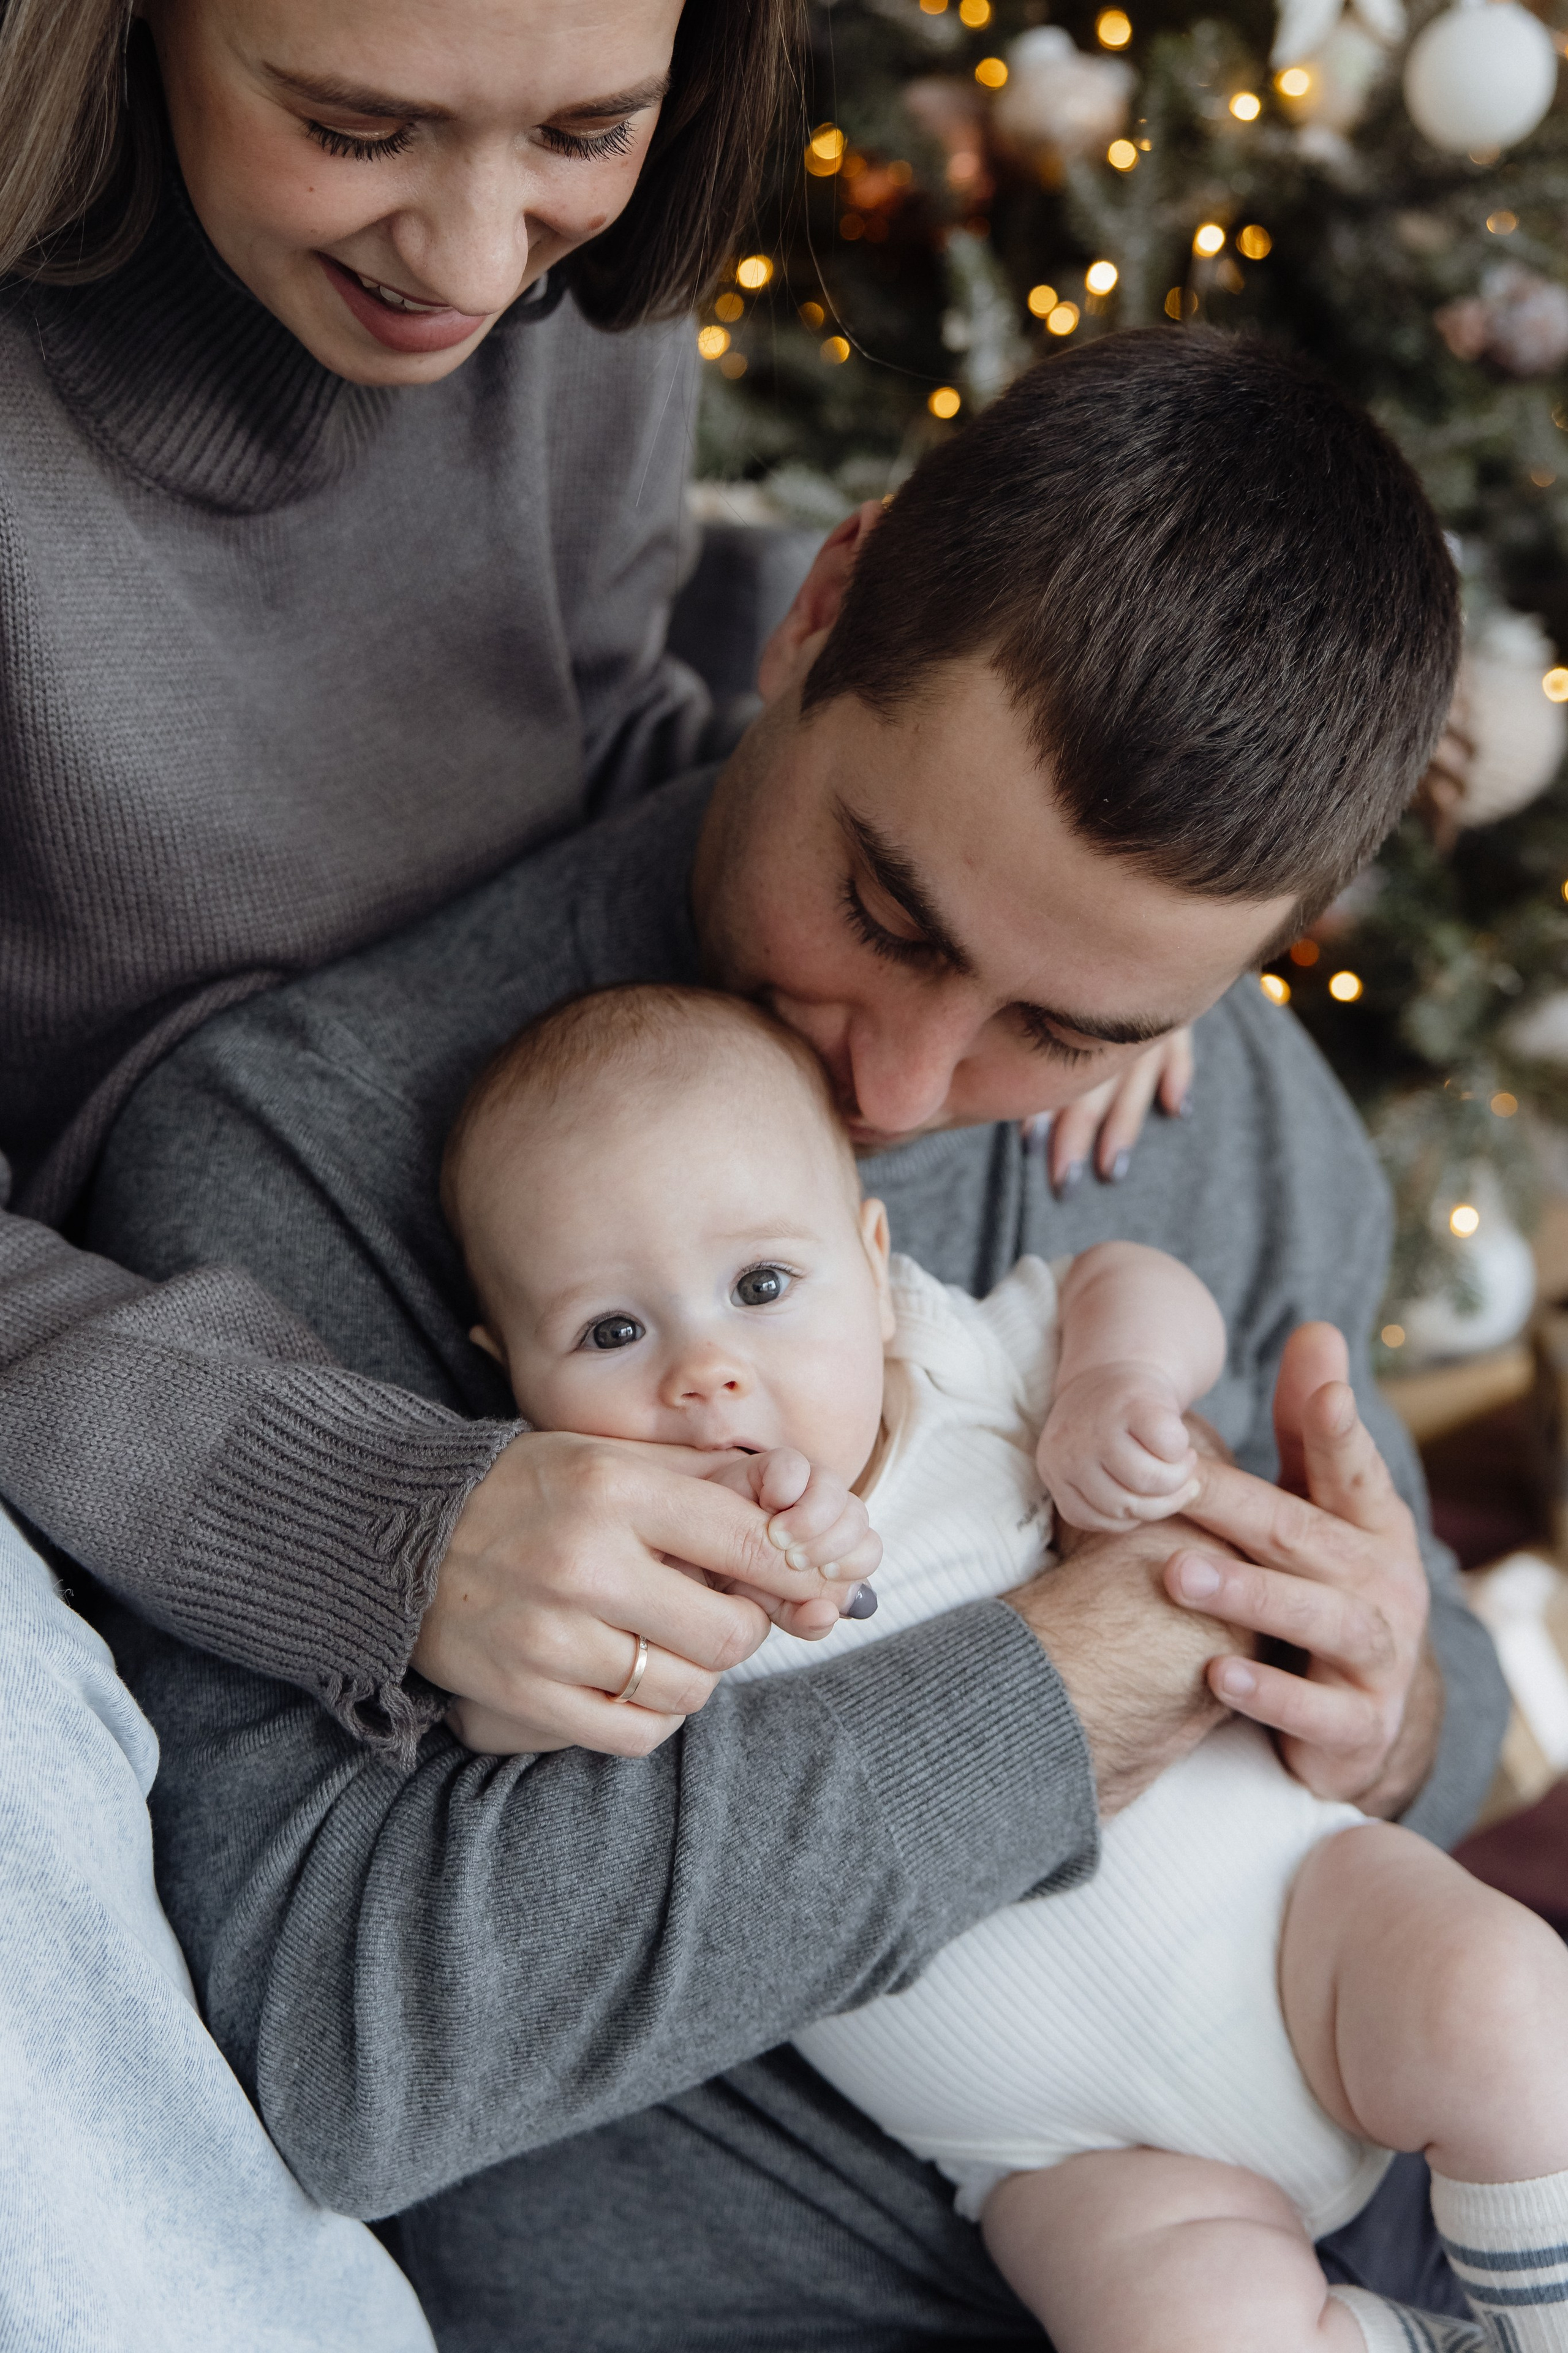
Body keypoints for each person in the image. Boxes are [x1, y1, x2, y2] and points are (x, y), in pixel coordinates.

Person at [85, 332, 1510, 2348]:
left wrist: (1388, 1702)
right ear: (822, 613)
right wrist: (1065, 1688)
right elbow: (331, 2044)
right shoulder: (312, 1150)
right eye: (892, 910)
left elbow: (1436, 1669)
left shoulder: (1242, 1117)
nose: (912, 1079)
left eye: (1067, 1028)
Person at [435, 976, 1568, 2353]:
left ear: (869, 1258)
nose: (708, 1373)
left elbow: (1128, 1279)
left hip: (1299, 1923)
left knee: (1499, 1998)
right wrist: (524, 1641)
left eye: (762, 1285)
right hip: (1070, 2162)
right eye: (613, 1332)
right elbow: (497, 1730)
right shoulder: (605, 1569)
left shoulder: (960, 1366)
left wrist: (1113, 1384)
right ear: (513, 1378)